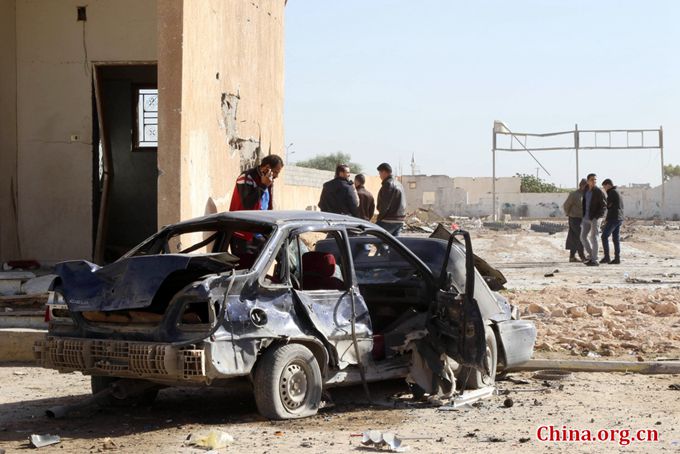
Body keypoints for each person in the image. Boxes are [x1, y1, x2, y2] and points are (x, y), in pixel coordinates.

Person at [580, 173, 607, 266]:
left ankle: (595, 260)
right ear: (588, 181)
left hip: (595, 218)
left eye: (595, 179)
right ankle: (591, 255)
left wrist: (597, 217)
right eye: (592, 179)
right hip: (586, 217)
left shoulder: (598, 192)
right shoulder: (586, 190)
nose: (594, 181)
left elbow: (604, 206)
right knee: (583, 237)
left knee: (594, 238)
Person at [375, 162, 406, 236]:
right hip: (400, 219)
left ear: (384, 172)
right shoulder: (399, 184)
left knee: (376, 237)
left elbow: (385, 204)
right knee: (394, 245)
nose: (379, 176)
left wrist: (379, 218)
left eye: (380, 173)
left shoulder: (388, 184)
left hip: (389, 219)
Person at [562, 179, 587, 262]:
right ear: (581, 185)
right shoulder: (574, 194)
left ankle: (572, 257)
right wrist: (568, 213)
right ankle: (582, 255)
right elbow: (566, 205)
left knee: (574, 237)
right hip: (574, 218)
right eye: (585, 185)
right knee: (581, 236)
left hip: (583, 219)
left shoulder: (587, 194)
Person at [600, 178, 624, 264]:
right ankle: (617, 258)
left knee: (604, 236)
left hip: (613, 218)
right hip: (619, 218)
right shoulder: (617, 192)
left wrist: (606, 219)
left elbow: (609, 206)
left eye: (604, 187)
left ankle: (607, 257)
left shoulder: (611, 192)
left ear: (608, 185)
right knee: (615, 239)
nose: (604, 189)